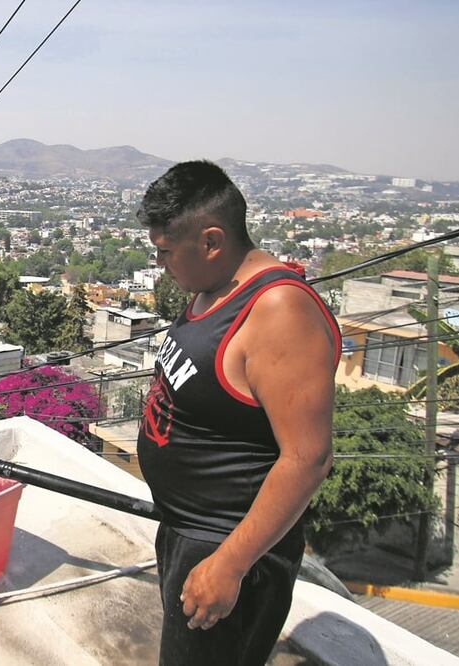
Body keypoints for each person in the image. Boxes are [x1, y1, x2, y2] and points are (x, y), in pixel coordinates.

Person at [135, 161, 339, 665]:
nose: (161, 264)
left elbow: (308, 458)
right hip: (189, 533)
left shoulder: (279, 311)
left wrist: (230, 564)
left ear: (211, 241)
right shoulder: (214, 286)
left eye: (166, 251)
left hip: (229, 546)